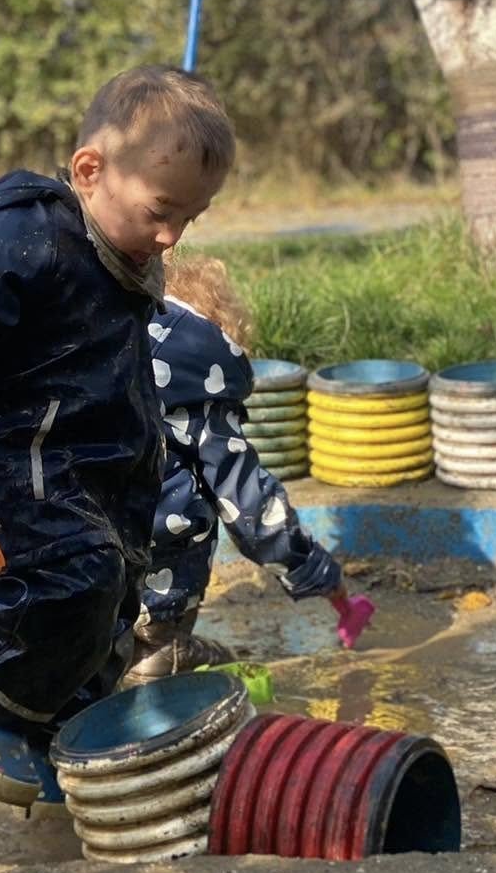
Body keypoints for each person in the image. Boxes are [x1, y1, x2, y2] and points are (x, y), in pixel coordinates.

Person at [0, 65, 234, 806]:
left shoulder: (120, 248)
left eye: (191, 218)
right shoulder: (29, 231)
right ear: (90, 170)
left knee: (115, 592)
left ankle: (60, 719)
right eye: (161, 210)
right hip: (19, 462)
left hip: (94, 466)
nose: (172, 235)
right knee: (72, 582)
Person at [125, 253, 348, 683]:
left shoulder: (110, 353)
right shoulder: (200, 394)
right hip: (157, 567)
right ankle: (160, 652)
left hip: (81, 557)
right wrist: (315, 569)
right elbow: (251, 507)